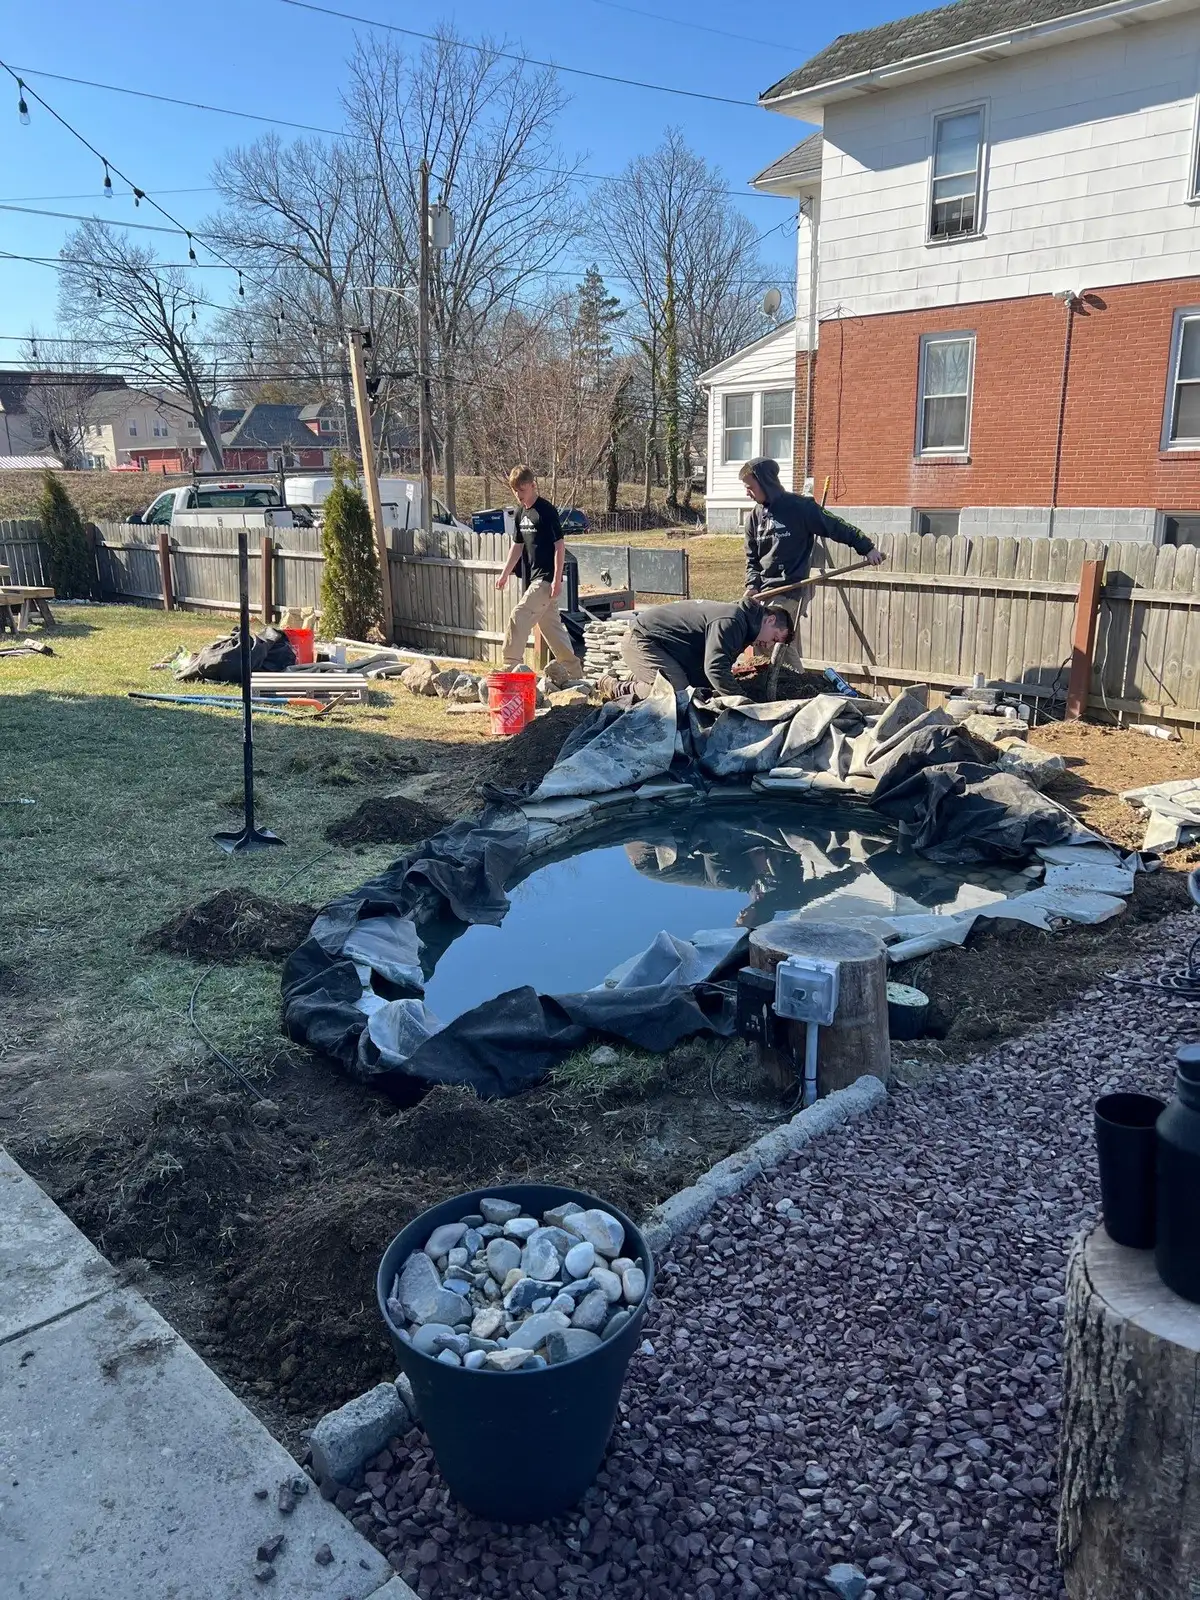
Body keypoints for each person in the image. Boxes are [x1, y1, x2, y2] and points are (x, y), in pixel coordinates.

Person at [739, 457, 886, 611]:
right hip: (764, 592)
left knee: (770, 627)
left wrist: (867, 547)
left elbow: (836, 526)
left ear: (765, 483)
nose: (747, 493)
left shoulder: (800, 508)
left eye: (750, 488)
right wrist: (752, 585)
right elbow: (752, 560)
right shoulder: (754, 518)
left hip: (790, 589)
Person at [495, 464, 582, 678]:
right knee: (551, 629)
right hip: (533, 578)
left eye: (522, 490)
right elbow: (517, 546)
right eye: (515, 490)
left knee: (519, 614)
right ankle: (575, 673)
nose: (519, 495)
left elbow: (559, 546)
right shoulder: (519, 513)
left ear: (533, 485)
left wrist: (557, 580)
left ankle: (510, 665)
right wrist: (505, 573)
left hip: (545, 579)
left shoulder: (546, 511)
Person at [619, 597, 793, 698]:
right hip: (643, 640)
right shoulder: (733, 620)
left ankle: (641, 676)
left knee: (697, 691)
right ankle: (617, 687)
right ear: (770, 620)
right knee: (677, 695)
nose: (768, 645)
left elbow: (710, 670)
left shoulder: (744, 630)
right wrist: (742, 701)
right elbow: (715, 668)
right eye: (774, 638)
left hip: (667, 649)